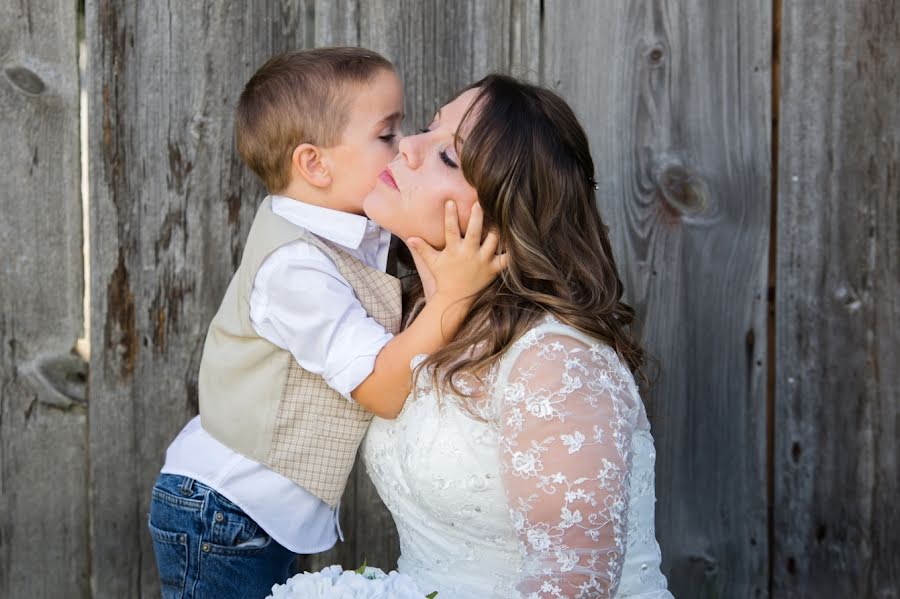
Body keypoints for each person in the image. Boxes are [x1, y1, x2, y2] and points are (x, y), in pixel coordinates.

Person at [147, 48, 502, 599]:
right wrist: (454, 298)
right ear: (314, 165)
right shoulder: (295, 268)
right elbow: (382, 391)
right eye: (386, 135)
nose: (404, 146)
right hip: (223, 513)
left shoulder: (343, 229)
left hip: (251, 514)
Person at [362, 74, 673, 598]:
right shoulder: (409, 322)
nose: (408, 147)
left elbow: (574, 583)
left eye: (448, 158)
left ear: (508, 218)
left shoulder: (554, 361)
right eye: (427, 129)